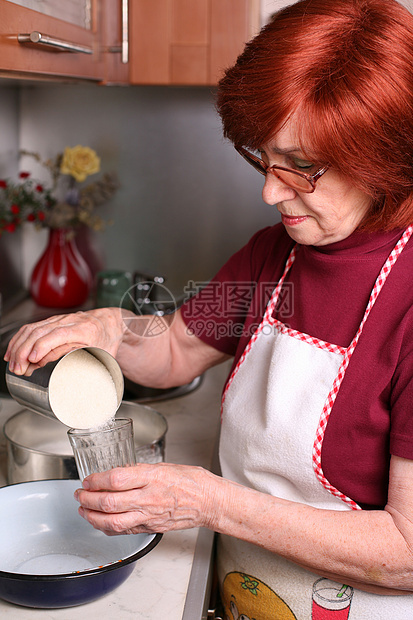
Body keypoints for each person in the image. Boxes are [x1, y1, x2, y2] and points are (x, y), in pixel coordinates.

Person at [5, 0, 413, 617]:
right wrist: (114, 326)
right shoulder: (275, 254)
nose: (269, 190)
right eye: (263, 156)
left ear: (384, 157)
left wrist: (213, 503)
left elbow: (406, 550)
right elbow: (173, 348)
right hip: (247, 590)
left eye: (300, 167)